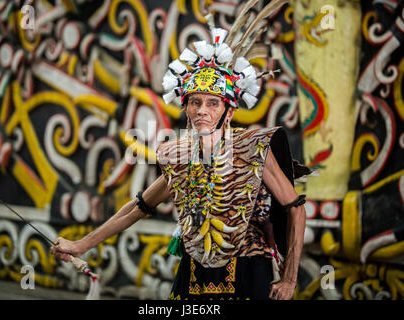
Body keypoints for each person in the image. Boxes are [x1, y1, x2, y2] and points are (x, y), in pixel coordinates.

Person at [51, 3, 307, 300]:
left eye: (213, 103)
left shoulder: (254, 149)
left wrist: (289, 278)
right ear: (185, 106)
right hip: (193, 273)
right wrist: (81, 245)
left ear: (230, 111)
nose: (202, 111)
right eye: (195, 102)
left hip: (249, 272)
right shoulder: (179, 156)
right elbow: (138, 207)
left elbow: (295, 207)